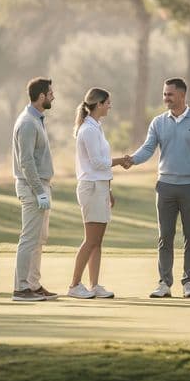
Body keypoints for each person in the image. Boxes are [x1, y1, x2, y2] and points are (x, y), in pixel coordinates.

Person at [125, 78, 190, 298]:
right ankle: (164, 283)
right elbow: (148, 149)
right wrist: (132, 160)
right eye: (164, 94)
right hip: (165, 186)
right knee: (165, 236)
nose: (166, 98)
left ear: (182, 95)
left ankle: (189, 283)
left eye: (170, 94)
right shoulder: (158, 122)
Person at [68, 88, 129, 299]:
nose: (110, 106)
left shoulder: (96, 127)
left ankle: (94, 285)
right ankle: (74, 285)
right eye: (108, 103)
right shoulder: (88, 130)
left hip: (99, 186)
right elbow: (97, 163)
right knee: (91, 240)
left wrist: (108, 189)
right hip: (91, 187)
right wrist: (120, 161)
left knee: (97, 240)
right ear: (99, 104)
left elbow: (100, 165)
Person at [12, 77, 57, 302]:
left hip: (40, 186)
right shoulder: (28, 122)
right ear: (41, 97)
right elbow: (26, 162)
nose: (53, 97)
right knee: (29, 239)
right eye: (50, 94)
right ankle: (21, 288)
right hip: (32, 188)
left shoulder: (36, 119)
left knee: (39, 239)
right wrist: (39, 191)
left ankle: (33, 284)